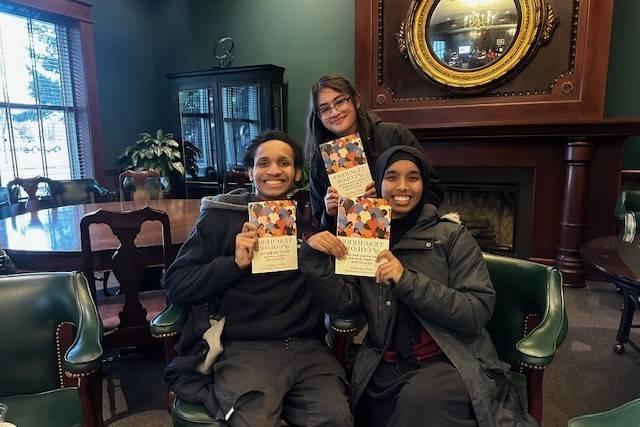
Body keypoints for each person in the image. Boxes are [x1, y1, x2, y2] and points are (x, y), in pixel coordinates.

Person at [299, 145, 536, 427]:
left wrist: (406, 280)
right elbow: (344, 303)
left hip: (448, 360)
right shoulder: (363, 234)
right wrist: (312, 258)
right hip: (384, 364)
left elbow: (476, 312)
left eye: (413, 178)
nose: (403, 186)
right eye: (392, 177)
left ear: (423, 184)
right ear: (378, 184)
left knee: (419, 404)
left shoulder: (450, 236)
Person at [163, 130, 353, 427]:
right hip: (245, 346)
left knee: (336, 419)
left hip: (306, 346)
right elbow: (176, 284)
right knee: (255, 421)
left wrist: (319, 248)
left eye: (284, 163)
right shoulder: (219, 218)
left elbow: (341, 298)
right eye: (263, 163)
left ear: (297, 173)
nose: (274, 170)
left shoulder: (307, 227)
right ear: (250, 172)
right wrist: (234, 264)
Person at [305, 74, 444, 230]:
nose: (334, 112)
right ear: (318, 116)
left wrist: (389, 198)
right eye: (325, 109)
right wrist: (329, 214)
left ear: (356, 101)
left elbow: (433, 191)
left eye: (340, 102)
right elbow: (319, 224)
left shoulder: (395, 135)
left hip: (405, 236)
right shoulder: (320, 158)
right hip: (353, 246)